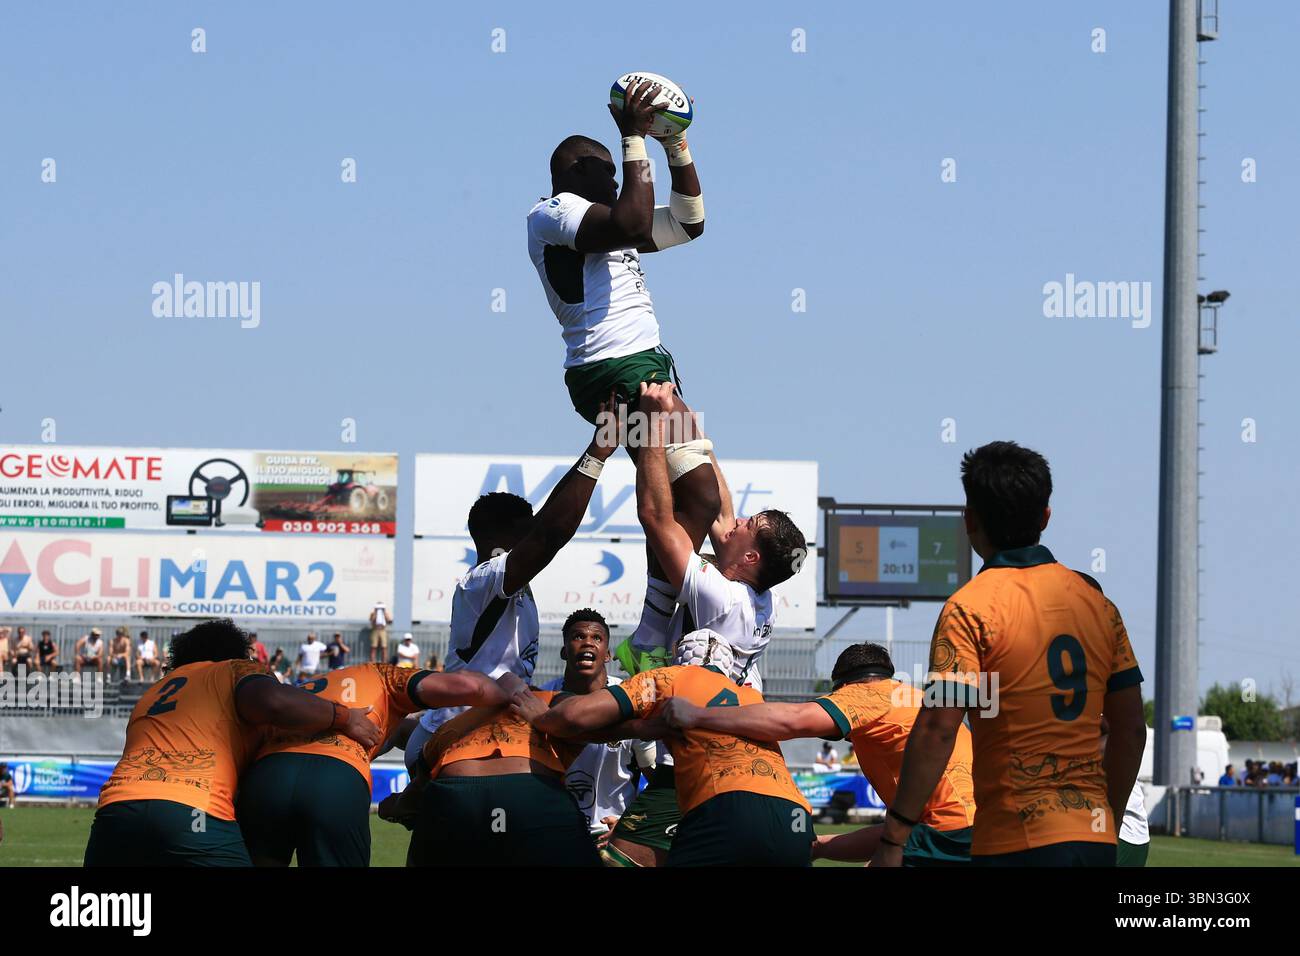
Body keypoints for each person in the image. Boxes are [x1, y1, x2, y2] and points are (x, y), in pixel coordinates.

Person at [528, 83, 724, 680]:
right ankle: (649, 635)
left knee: (705, 499)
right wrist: (634, 134)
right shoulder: (552, 213)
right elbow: (636, 214)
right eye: (610, 172)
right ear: (576, 175)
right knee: (673, 495)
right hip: (617, 371)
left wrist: (677, 146)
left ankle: (650, 630)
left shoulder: (614, 224)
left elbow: (690, 223)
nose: (619, 180)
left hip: (643, 367)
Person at [872, 442, 1145, 868]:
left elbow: (938, 730)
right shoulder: (1099, 606)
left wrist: (895, 836)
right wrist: (1103, 819)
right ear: (1046, 517)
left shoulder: (970, 606)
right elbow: (1130, 731)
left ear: (969, 520)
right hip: (1093, 841)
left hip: (1014, 839)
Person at [404, 406, 620, 770]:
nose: (532, 541)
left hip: (479, 734)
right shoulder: (484, 580)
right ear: (505, 539)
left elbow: (548, 524)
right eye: (526, 533)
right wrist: (598, 452)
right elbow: (550, 534)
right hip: (457, 741)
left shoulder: (513, 589)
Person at [84, 619, 383, 867]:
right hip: (194, 809)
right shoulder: (235, 669)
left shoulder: (153, 693)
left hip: (116, 811)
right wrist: (343, 717)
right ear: (236, 652)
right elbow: (274, 701)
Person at [663, 642, 976, 866]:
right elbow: (897, 833)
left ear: (842, 687)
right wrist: (822, 846)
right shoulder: (913, 701)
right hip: (973, 834)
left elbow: (791, 720)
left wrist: (698, 716)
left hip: (946, 838)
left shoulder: (869, 696)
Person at [518, 630, 813, 867]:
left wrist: (541, 717)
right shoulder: (750, 696)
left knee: (615, 860)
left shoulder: (669, 678)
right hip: (792, 815)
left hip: (719, 801)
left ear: (678, 659)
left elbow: (574, 717)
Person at [236, 662, 509, 867]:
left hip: (267, 777)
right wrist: (510, 692)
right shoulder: (384, 676)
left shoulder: (302, 687)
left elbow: (402, 733)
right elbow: (471, 687)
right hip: (335, 777)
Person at [394, 671, 656, 868]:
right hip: (529, 793)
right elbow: (591, 724)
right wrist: (646, 728)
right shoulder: (550, 703)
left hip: (455, 794)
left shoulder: (455, 724)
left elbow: (417, 790)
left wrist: (394, 807)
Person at [539, 609, 653, 851]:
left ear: (608, 655)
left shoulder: (632, 701)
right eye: (578, 637)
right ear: (563, 650)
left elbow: (658, 777)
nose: (587, 642)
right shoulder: (542, 701)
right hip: (557, 833)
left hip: (612, 835)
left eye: (597, 638)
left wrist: (631, 824)